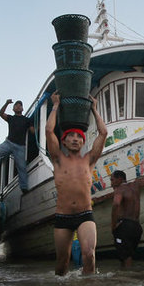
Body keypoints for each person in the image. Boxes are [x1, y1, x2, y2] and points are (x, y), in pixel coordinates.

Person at [45, 92, 108, 275]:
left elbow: (103, 133)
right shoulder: (57, 159)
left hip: (85, 215)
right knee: (62, 262)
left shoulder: (89, 160)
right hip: (62, 216)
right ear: (63, 141)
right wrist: (55, 105)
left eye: (78, 136)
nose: (74, 139)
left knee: (89, 255)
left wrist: (94, 110)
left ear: (83, 141)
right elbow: (49, 131)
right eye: (70, 136)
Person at [109, 170, 144, 268]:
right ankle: (126, 278)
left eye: (112, 180)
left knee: (125, 257)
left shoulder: (119, 189)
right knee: (127, 254)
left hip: (124, 226)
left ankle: (128, 279)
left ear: (120, 179)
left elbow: (116, 204)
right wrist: (143, 179)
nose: (111, 184)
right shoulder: (135, 185)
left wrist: (113, 225)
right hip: (136, 227)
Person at [0, 99, 34, 192]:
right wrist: (6, 103)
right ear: (13, 109)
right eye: (16, 105)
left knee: (22, 167)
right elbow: (1, 113)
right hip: (8, 143)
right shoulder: (10, 118)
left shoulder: (27, 120)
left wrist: (36, 128)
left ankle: (24, 188)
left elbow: (32, 131)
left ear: (22, 108)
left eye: (20, 105)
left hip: (20, 147)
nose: (18, 106)